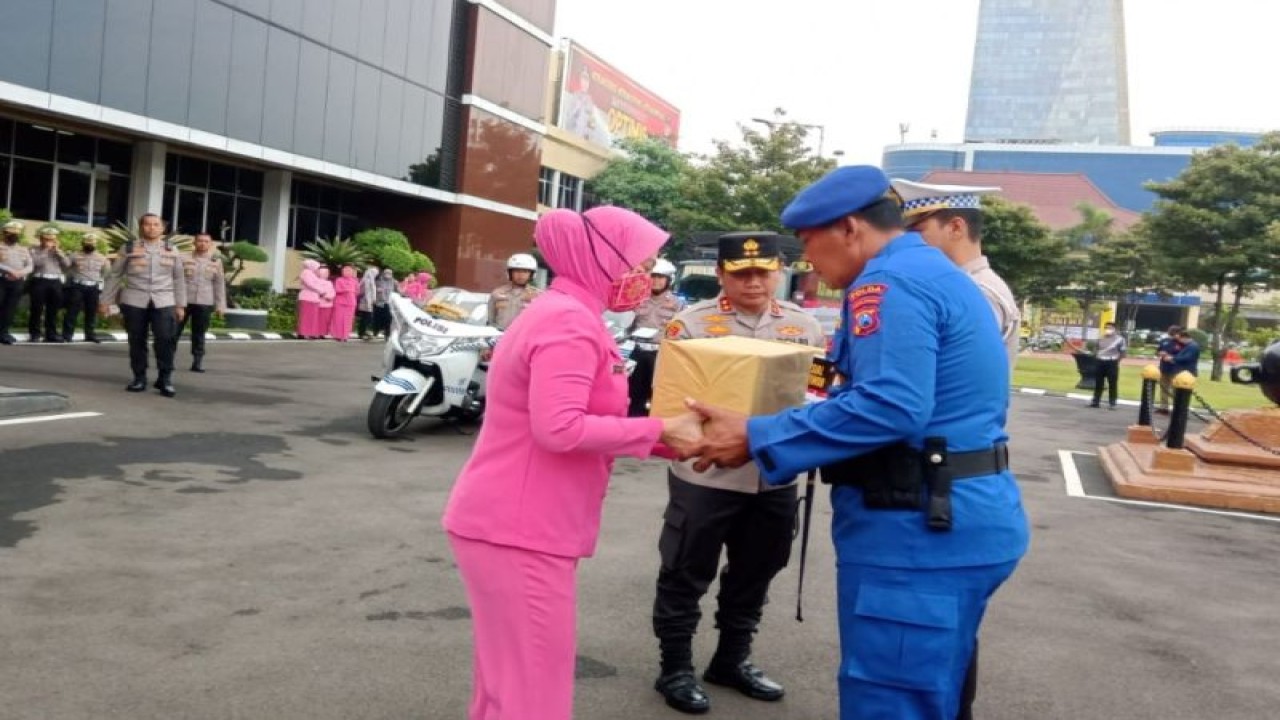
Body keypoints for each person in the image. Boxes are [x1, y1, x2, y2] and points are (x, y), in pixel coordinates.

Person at [684, 166, 1029, 720]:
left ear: (848, 228)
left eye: (807, 245)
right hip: (953, 515)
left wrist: (757, 434)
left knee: (891, 700)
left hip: (916, 531)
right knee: (936, 692)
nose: (807, 264)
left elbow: (891, 404)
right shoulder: (930, 272)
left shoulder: (888, 283)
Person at [442, 206, 705, 720]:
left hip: (512, 524)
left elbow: (585, 421)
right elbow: (559, 427)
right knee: (533, 694)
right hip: (520, 529)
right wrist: (657, 430)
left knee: (505, 685)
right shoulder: (567, 321)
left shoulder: (568, 313)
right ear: (603, 260)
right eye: (640, 261)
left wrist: (673, 442)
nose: (645, 275)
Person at [651, 233, 825, 715]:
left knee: (757, 572)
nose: (754, 281)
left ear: (779, 272)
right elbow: (670, 400)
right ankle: (676, 668)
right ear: (722, 273)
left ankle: (731, 660)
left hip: (774, 477)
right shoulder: (691, 325)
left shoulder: (803, 326)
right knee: (686, 570)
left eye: (763, 272)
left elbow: (817, 399)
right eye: (742, 272)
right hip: (706, 474)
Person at [892, 179, 1021, 371]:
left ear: (956, 228)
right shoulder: (963, 285)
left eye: (918, 231)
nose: (910, 241)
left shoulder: (981, 292)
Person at [100, 213, 187, 397]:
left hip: (164, 301)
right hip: (134, 300)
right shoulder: (129, 247)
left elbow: (179, 278)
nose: (152, 228)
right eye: (147, 224)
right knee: (136, 341)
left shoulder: (172, 249)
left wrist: (180, 305)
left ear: (162, 229)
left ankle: (165, 379)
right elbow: (115, 275)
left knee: (165, 339)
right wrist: (105, 301)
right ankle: (139, 378)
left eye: (156, 224)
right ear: (141, 227)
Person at [627, 258, 684, 417]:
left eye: (661, 277)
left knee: (658, 394)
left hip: (660, 354)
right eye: (653, 276)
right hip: (636, 352)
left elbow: (681, 333)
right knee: (632, 394)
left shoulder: (678, 304)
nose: (656, 281)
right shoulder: (636, 299)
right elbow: (625, 327)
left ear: (669, 280)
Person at [174, 232, 226, 372]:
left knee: (199, 333)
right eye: (200, 241)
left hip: (204, 302)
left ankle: (197, 362)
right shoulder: (183, 258)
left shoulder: (216, 261)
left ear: (210, 244)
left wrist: (220, 305)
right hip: (183, 301)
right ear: (194, 242)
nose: (202, 243)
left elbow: (219, 284)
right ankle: (168, 359)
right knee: (174, 331)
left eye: (206, 241)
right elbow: (176, 279)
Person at [62, 231, 109, 343]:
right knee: (72, 311)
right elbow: (66, 267)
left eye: (92, 243)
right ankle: (67, 335)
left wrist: (100, 282)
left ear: (95, 244)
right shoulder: (74, 255)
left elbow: (106, 272)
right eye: (87, 243)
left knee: (91, 312)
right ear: (83, 243)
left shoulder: (101, 258)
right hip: (77, 286)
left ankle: (90, 334)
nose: (89, 245)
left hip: (93, 287)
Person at [27, 225, 70, 343]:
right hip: (39, 280)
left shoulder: (58, 250)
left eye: (52, 239)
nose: (50, 242)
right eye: (47, 239)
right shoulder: (33, 249)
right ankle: (34, 333)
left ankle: (51, 333)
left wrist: (59, 253)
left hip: (55, 281)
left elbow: (67, 265)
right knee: (37, 308)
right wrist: (46, 250)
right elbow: (36, 263)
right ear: (41, 239)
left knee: (53, 309)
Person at [0, 220, 34, 345]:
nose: (14, 235)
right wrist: (10, 271)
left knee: (10, 308)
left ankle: (3, 332)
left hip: (17, 281)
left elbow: (30, 265)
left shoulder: (23, 249)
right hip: (1, 280)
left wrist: (21, 273)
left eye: (16, 233)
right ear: (4, 233)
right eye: (10, 233)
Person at [488, 253, 542, 330]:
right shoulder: (497, 293)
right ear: (510, 273)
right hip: (500, 337)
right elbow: (491, 319)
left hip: (524, 338)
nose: (521, 275)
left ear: (532, 274)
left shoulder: (538, 296)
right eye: (517, 271)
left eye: (525, 271)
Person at [1090, 322, 1127, 409]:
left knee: (1112, 383)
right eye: (1106, 327)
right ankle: (1096, 401)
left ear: (1115, 329)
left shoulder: (1120, 339)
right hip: (1100, 362)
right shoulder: (1100, 338)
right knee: (1098, 383)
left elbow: (1123, 353)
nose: (1108, 329)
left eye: (1110, 328)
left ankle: (1112, 403)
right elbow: (1096, 349)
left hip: (1112, 362)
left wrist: (1116, 361)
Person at [1155, 325, 1183, 414]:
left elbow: (1183, 355)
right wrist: (1160, 353)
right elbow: (1158, 351)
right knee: (1164, 388)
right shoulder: (1164, 341)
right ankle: (1164, 407)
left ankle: (1177, 408)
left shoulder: (1181, 343)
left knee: (1175, 390)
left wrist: (1172, 357)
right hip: (1164, 367)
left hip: (1175, 368)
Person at [296, 259, 324, 339]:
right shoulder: (306, 273)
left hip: (313, 298)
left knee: (312, 317)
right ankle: (303, 332)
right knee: (306, 316)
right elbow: (310, 284)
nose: (318, 269)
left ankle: (310, 332)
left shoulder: (311, 274)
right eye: (317, 267)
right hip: (307, 297)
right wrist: (321, 290)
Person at [330, 265, 359, 342]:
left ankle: (345, 335)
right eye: (345, 271)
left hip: (351, 303)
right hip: (340, 302)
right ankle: (338, 335)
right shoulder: (339, 280)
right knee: (338, 319)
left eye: (349, 271)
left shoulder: (355, 281)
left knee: (348, 320)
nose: (347, 272)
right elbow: (336, 290)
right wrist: (346, 289)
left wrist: (351, 291)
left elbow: (357, 291)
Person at [356, 266, 378, 340]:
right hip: (365, 301)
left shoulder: (369, 280)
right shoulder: (366, 281)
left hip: (369, 301)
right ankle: (363, 332)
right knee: (366, 318)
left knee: (365, 318)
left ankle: (362, 332)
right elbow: (361, 291)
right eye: (374, 273)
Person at [373, 268, 396, 338]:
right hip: (379, 303)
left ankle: (387, 333)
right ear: (383, 273)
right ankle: (375, 331)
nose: (388, 275)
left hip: (388, 303)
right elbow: (373, 288)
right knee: (377, 318)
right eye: (386, 273)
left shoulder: (394, 282)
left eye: (389, 273)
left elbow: (398, 290)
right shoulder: (378, 281)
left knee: (388, 319)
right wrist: (377, 290)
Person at [315, 266, 335, 339]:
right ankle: (316, 333)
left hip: (328, 304)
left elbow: (333, 291)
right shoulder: (316, 281)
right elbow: (317, 291)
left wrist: (330, 297)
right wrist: (325, 296)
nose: (326, 274)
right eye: (325, 272)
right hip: (319, 303)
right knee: (318, 319)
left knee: (325, 320)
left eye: (327, 273)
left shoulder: (329, 283)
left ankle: (322, 333)